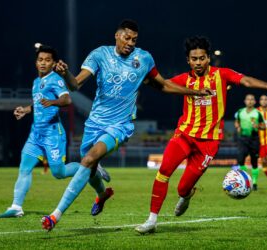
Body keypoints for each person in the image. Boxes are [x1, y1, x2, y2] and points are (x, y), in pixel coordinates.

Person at [41, 20, 212, 231]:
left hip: (120, 125)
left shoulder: (144, 58)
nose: (130, 42)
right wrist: (64, 73)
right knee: (91, 166)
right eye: (127, 38)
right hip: (95, 122)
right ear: (117, 35)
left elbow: (164, 85)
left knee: (88, 159)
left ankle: (54, 216)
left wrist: (194, 93)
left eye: (134, 39)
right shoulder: (99, 55)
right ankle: (102, 194)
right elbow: (75, 85)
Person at [135, 36, 267, 234]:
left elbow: (246, 81)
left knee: (183, 188)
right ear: (188, 61)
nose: (198, 63)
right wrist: (144, 77)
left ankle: (186, 196)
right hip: (184, 135)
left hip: (209, 143)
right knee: (163, 172)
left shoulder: (222, 75)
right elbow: (163, 85)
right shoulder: (184, 79)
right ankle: (151, 220)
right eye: (194, 59)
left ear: (208, 58)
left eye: (201, 58)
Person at [0, 45, 110, 218]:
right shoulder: (36, 82)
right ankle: (16, 206)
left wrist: (53, 102)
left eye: (48, 60)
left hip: (52, 134)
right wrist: (26, 110)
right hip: (36, 134)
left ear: (54, 63)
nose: (43, 63)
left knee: (59, 173)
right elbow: (39, 103)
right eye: (40, 60)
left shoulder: (55, 79)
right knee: (24, 168)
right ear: (36, 62)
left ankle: (92, 166)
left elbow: (67, 99)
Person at [234, 94, 265, 191]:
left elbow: (264, 126)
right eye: (248, 99)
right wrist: (238, 126)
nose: (250, 101)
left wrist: (258, 126)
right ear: (245, 101)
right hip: (243, 139)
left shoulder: (258, 113)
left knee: (254, 161)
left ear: (255, 102)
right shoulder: (240, 112)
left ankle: (254, 183)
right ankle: (244, 181)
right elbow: (236, 121)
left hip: (254, 139)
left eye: (252, 99)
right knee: (240, 159)